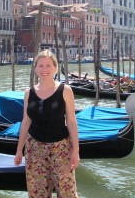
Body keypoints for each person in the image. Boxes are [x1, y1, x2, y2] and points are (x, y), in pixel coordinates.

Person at [14, 50, 79, 198]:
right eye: (41, 65)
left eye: (48, 66)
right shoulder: (28, 93)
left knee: (67, 192)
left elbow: (71, 122)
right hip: (34, 149)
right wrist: (19, 150)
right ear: (35, 68)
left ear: (55, 68)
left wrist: (76, 150)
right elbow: (25, 123)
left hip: (61, 148)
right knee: (37, 193)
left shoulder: (65, 90)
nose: (44, 70)